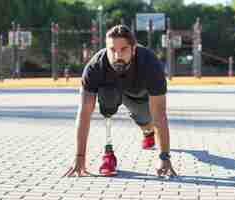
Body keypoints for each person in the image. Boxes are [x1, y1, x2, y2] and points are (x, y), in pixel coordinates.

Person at [64, 24, 176, 177]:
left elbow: (160, 115)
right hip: (112, 91)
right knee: (107, 94)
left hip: (139, 96)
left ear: (134, 49)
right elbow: (84, 114)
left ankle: (147, 132)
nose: (117, 56)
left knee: (148, 122)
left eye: (123, 49)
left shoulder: (150, 64)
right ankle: (108, 155)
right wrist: (79, 158)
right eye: (112, 50)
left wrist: (164, 157)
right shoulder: (95, 67)